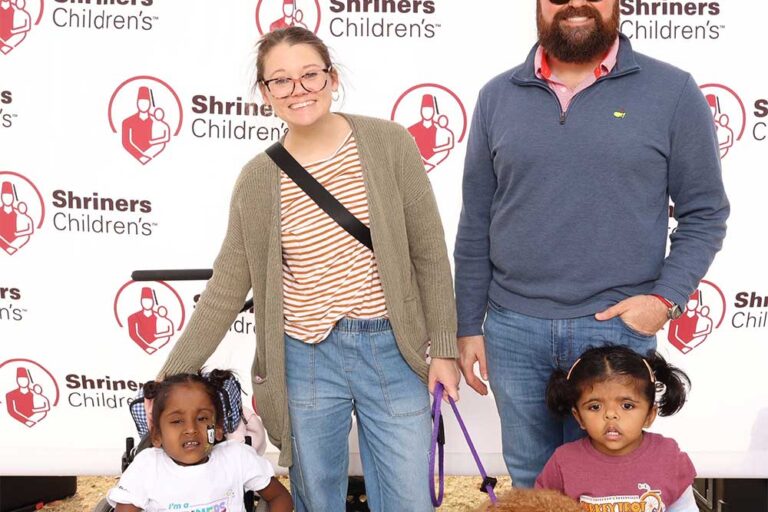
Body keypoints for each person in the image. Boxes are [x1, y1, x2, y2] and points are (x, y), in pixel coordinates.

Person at [157, 26, 459, 512]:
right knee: (318, 499)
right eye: (281, 80)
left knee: (409, 500)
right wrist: (167, 379)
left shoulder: (388, 143)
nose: (298, 90)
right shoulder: (258, 179)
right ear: (265, 93)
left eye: (310, 75)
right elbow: (226, 288)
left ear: (332, 78)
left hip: (391, 346)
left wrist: (444, 346)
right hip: (304, 358)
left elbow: (428, 251)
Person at [454, 0, 729, 487]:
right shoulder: (497, 95)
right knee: (532, 481)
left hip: (616, 330)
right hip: (514, 330)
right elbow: (476, 219)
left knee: (613, 484)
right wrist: (467, 323)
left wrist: (664, 301)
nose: (575, 4)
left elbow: (705, 213)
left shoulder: (672, 91)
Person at [535, 346, 697, 511]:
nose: (610, 415)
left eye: (627, 406)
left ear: (650, 415)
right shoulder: (563, 462)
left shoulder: (668, 456)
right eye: (595, 407)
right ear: (579, 417)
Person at [108, 371, 292, 512]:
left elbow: (281, 498)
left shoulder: (237, 458)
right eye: (177, 421)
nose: (191, 429)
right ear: (156, 435)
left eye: (203, 419)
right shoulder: (147, 468)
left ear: (218, 428)